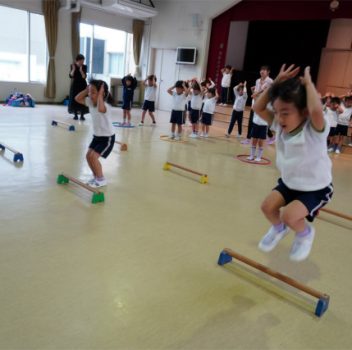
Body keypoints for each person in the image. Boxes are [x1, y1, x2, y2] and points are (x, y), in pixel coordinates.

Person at [253, 64, 333, 262]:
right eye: (278, 112)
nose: (279, 118)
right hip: (290, 182)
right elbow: (258, 107)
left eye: (286, 112)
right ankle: (278, 230)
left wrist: (308, 83)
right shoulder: (280, 126)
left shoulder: (314, 130)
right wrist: (277, 82)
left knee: (290, 216)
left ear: (303, 112)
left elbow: (315, 109)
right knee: (267, 207)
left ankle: (305, 234)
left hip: (315, 187)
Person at [75, 80, 115, 188]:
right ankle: (96, 177)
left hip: (107, 138)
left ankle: (101, 179)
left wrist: (101, 94)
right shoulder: (90, 102)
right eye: (89, 92)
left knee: (93, 157)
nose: (90, 95)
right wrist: (86, 90)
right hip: (97, 136)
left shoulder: (105, 105)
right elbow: (77, 98)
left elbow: (101, 109)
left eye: (93, 92)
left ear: (102, 94)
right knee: (88, 156)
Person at [241, 65, 273, 144]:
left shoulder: (270, 81)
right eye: (261, 70)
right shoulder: (257, 80)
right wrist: (254, 93)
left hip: (263, 105)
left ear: (268, 72)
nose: (262, 71)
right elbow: (256, 92)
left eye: (264, 70)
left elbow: (264, 91)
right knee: (252, 121)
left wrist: (256, 94)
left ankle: (268, 137)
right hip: (256, 102)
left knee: (261, 122)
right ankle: (249, 138)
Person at [68, 54, 89, 120]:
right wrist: (74, 69)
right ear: (77, 60)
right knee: (74, 99)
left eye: (83, 61)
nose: (82, 62)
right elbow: (71, 76)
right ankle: (75, 115)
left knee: (83, 99)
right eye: (81, 61)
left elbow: (84, 77)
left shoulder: (84, 67)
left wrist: (81, 71)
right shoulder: (73, 66)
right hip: (75, 85)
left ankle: (82, 115)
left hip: (82, 85)